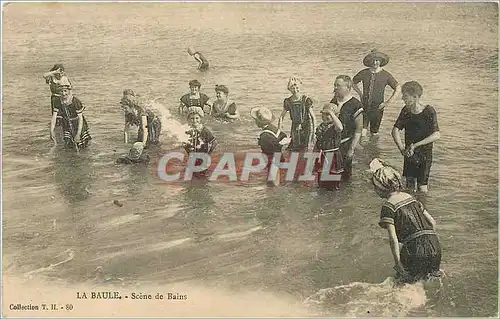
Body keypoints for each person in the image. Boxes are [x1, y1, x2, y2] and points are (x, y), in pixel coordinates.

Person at [370, 159, 443, 283]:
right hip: (434, 246)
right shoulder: (411, 198)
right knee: (431, 281)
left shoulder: (388, 206)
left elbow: (393, 239)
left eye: (375, 187)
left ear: (380, 187)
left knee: (404, 284)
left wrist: (398, 263)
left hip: (415, 250)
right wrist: (429, 243)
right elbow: (432, 223)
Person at [391, 81, 440, 193]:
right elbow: (395, 130)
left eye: (405, 96)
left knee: (422, 188)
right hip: (410, 154)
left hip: (424, 155)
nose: (402, 98)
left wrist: (416, 145)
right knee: (409, 186)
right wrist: (401, 148)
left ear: (415, 97)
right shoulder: (406, 110)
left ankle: (422, 208)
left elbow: (436, 135)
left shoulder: (428, 111)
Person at [353, 49, 400, 137]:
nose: (375, 62)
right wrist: (360, 93)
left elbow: (398, 88)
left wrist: (387, 103)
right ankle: (362, 149)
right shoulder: (364, 73)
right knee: (361, 132)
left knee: (374, 133)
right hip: (364, 106)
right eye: (373, 60)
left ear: (381, 61)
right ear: (370, 61)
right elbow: (352, 82)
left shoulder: (386, 75)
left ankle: (374, 149)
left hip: (378, 108)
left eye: (377, 60)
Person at [329, 75, 363, 180]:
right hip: (332, 143)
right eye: (334, 85)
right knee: (330, 174)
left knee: (345, 176)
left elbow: (359, 129)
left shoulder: (355, 104)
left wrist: (352, 149)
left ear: (348, 88)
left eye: (338, 85)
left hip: (346, 143)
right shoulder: (333, 101)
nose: (335, 88)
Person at [251, 106, 289, 186]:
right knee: (275, 180)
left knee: (272, 183)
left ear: (259, 122)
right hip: (278, 157)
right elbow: (283, 136)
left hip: (272, 160)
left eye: (256, 120)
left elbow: (270, 148)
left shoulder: (264, 135)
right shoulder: (273, 128)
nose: (255, 122)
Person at [278, 77, 315, 152]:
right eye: (292, 88)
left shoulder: (306, 100)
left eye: (297, 88)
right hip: (295, 126)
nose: (295, 90)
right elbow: (281, 116)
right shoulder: (288, 101)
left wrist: (313, 132)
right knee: (295, 146)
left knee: (305, 147)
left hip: (306, 126)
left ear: (300, 87)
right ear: (289, 89)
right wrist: (279, 128)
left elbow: (313, 117)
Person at [50, 85, 91, 151]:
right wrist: (51, 132)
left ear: (69, 91)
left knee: (82, 146)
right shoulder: (57, 101)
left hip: (78, 124)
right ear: (59, 92)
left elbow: (81, 119)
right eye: (61, 91)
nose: (63, 93)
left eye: (65, 91)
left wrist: (78, 134)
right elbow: (54, 118)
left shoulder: (75, 101)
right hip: (67, 124)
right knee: (68, 144)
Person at [313, 104, 344, 190]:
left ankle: (333, 199)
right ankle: (322, 200)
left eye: (328, 115)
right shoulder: (321, 127)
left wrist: (332, 114)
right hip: (323, 155)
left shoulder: (335, 127)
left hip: (334, 155)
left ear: (335, 116)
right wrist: (314, 156)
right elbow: (318, 142)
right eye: (324, 114)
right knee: (321, 182)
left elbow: (340, 127)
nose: (325, 116)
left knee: (333, 183)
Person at [183, 107, 218, 177]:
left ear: (200, 118)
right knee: (192, 175)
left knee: (202, 175)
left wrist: (208, 153)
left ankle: (202, 186)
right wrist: (188, 151)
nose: (194, 120)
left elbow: (214, 142)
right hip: (192, 157)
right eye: (192, 118)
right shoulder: (187, 130)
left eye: (197, 118)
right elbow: (184, 143)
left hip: (203, 158)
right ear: (188, 119)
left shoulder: (204, 130)